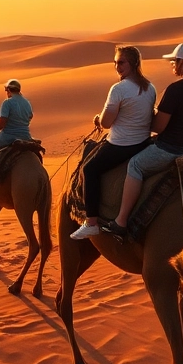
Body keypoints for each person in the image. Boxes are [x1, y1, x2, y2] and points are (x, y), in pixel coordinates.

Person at [101, 43, 183, 239]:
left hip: (172, 149)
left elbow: (158, 127)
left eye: (174, 61)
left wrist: (143, 115)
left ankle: (121, 221)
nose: (172, 64)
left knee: (135, 166)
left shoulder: (175, 90)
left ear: (182, 63)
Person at [70, 46, 156, 239]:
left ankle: (91, 222)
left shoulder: (118, 89)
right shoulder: (150, 87)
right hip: (143, 143)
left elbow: (107, 122)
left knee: (89, 169)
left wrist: (98, 119)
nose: (117, 66)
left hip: (121, 144)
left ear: (133, 63)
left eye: (121, 62)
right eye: (115, 62)